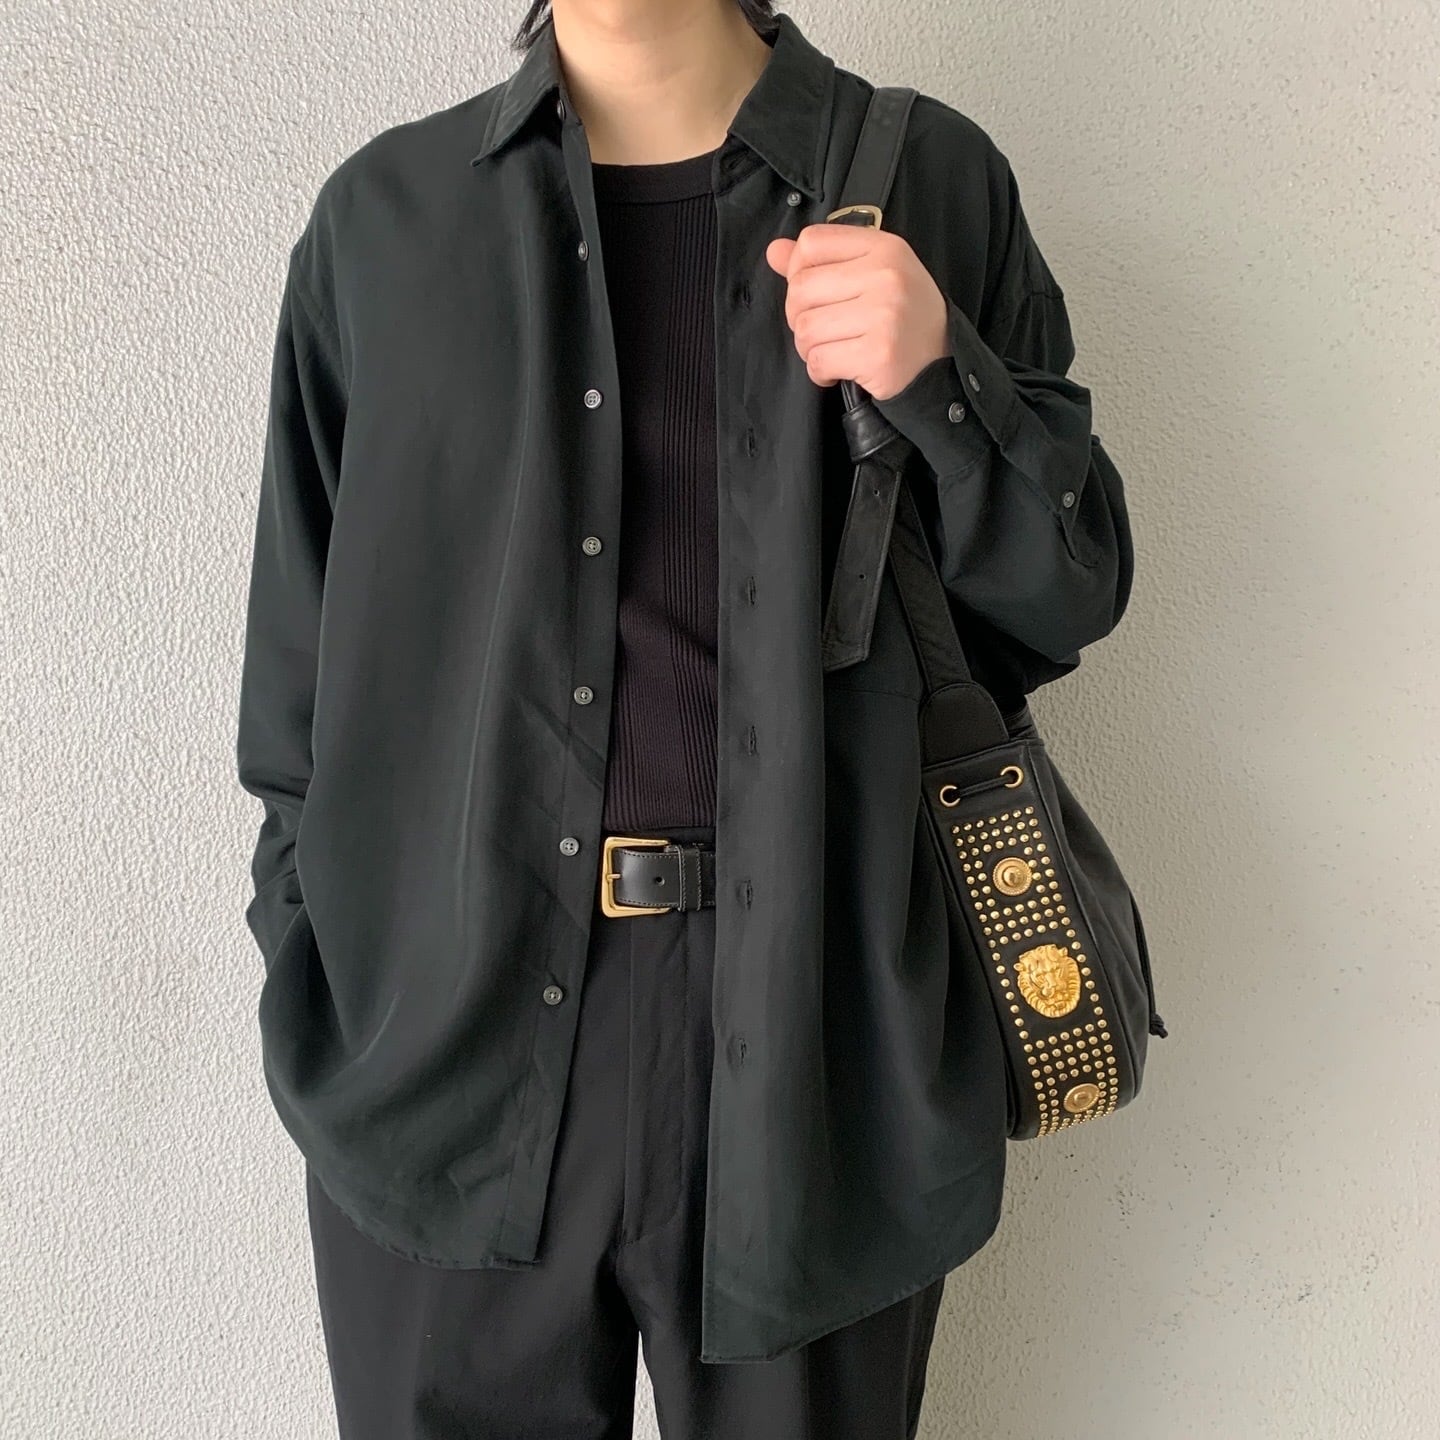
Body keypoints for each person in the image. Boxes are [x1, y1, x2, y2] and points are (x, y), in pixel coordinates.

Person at [235, 0, 1135, 1435]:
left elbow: (1070, 594)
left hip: (822, 1044)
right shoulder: (384, 224)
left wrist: (940, 381)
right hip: (451, 1057)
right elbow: (301, 692)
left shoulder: (930, 181)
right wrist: (328, 962)